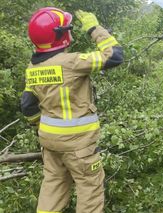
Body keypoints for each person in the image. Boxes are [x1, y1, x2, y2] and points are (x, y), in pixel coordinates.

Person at [20, 7, 123, 213]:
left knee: (53, 185)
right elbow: (114, 56)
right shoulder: (72, 62)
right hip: (79, 145)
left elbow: (28, 105)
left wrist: (41, 127)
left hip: (50, 143)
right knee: (90, 190)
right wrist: (94, 28)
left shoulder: (32, 67)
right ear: (60, 35)